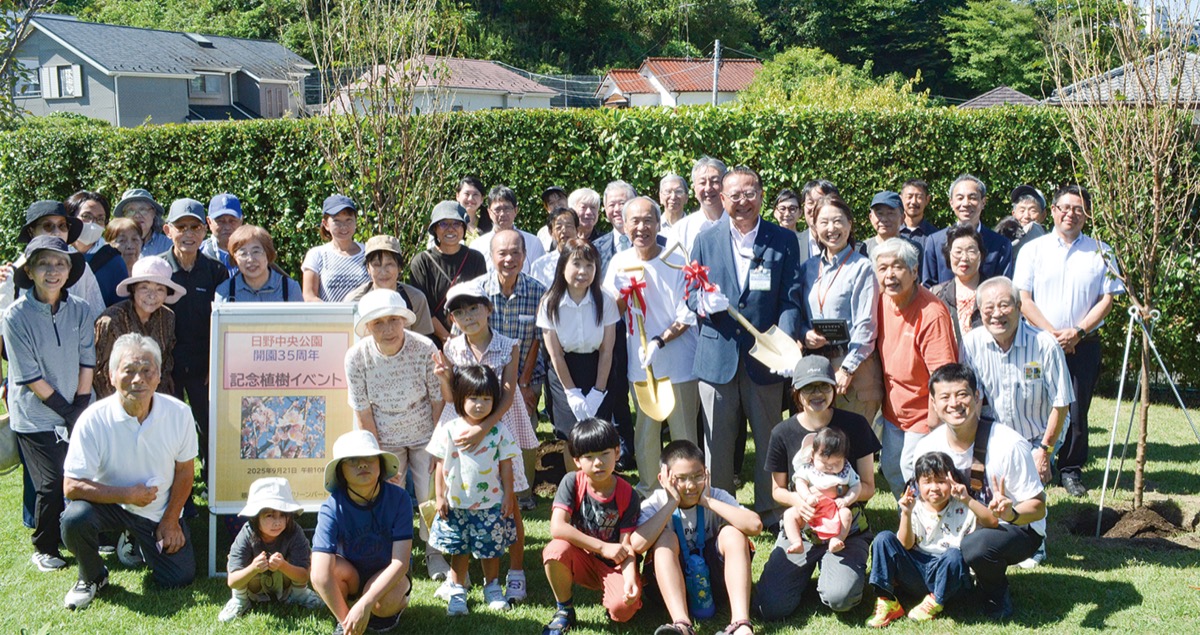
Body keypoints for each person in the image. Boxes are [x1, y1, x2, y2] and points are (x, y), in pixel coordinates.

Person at [686, 165, 804, 521]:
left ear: (762, 196)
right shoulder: (706, 240)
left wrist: (784, 345)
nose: (742, 202)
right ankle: (723, 512)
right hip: (717, 355)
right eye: (734, 195)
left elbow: (790, 299)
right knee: (717, 442)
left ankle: (770, 509)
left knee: (769, 437)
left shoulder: (783, 240)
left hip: (765, 359)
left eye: (750, 193)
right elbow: (692, 291)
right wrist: (704, 303)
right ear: (722, 199)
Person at [60, 333, 197, 610]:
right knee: (75, 519)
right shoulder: (92, 419)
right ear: (111, 376)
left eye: (147, 370)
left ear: (159, 375)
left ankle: (139, 538)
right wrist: (128, 494)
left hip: (156, 510)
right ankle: (92, 576)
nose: (138, 379)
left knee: (179, 577)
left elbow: (185, 472)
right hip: (111, 504)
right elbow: (71, 486)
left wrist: (170, 520)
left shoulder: (179, 413)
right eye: (129, 371)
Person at [913, 364, 1047, 619]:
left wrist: (1011, 512)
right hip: (953, 527)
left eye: (962, 394)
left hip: (1014, 529)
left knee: (976, 545)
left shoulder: (1008, 444)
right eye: (944, 397)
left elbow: (1038, 507)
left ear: (977, 397)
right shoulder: (927, 447)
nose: (954, 403)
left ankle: (995, 592)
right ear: (933, 402)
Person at [1013, 184, 1122, 498]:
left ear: (1086, 214)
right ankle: (1033, 460)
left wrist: (1078, 331)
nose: (1070, 214)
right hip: (1038, 341)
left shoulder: (1102, 250)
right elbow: (1024, 298)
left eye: (1078, 209)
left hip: (1082, 343)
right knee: (1033, 401)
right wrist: (1050, 334)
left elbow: (1107, 299)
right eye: (1064, 207)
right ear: (1054, 212)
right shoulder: (1033, 249)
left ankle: (1070, 469)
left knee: (1076, 407)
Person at [754, 356, 879, 620]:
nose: (817, 393)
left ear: (835, 388)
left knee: (840, 597)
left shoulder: (855, 425)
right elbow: (777, 491)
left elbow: (868, 487)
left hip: (844, 529)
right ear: (796, 393)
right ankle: (808, 565)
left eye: (823, 386)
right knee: (770, 606)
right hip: (804, 526)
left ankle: (833, 570)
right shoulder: (782, 432)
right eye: (809, 387)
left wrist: (839, 500)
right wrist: (800, 502)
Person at [436, 281, 536, 602]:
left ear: (488, 308)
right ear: (453, 319)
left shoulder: (508, 344)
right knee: (464, 499)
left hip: (499, 430)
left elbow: (507, 395)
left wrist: (484, 429)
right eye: (460, 312)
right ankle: (460, 580)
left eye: (474, 308)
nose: (468, 317)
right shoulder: (451, 349)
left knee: (508, 503)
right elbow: (453, 398)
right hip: (463, 435)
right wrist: (442, 378)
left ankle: (516, 571)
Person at [963, 276, 1072, 568]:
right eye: (989, 307)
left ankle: (1036, 541)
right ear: (979, 310)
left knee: (1028, 479)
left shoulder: (1044, 344)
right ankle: (999, 531)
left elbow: (1061, 402)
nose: (996, 313)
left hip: (1038, 433)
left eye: (1004, 305)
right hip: (994, 431)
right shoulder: (971, 343)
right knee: (997, 483)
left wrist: (1045, 450)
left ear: (1019, 307)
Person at [3, 236, 95, 575]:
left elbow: (88, 359)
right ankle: (44, 545)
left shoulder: (82, 309)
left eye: (60, 264)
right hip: (36, 414)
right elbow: (28, 375)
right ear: (30, 270)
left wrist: (80, 407)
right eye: (44, 264)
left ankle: (84, 533)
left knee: (84, 474)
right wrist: (67, 412)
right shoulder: (15, 316)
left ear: (69, 270)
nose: (52, 271)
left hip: (78, 406)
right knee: (50, 481)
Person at [345, 288, 446, 579]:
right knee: (390, 494)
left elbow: (437, 400)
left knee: (429, 490)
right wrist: (377, 458)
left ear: (404, 320)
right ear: (368, 327)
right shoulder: (356, 358)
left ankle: (434, 552)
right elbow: (363, 413)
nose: (388, 329)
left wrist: (438, 448)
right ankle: (396, 555)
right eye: (378, 323)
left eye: (393, 320)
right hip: (384, 435)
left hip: (426, 431)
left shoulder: (425, 347)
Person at [602, 197, 700, 495]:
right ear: (624, 225)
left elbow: (687, 314)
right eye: (635, 221)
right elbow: (611, 312)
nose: (641, 227)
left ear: (658, 223)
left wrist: (660, 340)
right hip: (641, 365)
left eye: (648, 220)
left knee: (683, 430)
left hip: (679, 362)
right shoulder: (620, 262)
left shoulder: (675, 258)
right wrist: (622, 297)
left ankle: (688, 487)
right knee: (647, 431)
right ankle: (648, 490)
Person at [632, 440, 761, 635]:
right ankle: (682, 624)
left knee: (733, 534)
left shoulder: (715, 495)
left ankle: (741, 624)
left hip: (712, 581)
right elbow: (637, 544)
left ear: (706, 474)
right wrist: (671, 503)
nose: (690, 485)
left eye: (697, 476)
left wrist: (707, 501)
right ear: (663, 478)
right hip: (670, 585)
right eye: (681, 478)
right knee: (665, 538)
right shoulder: (656, 502)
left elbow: (755, 525)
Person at [426, 365, 520, 616]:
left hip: (490, 503)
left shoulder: (498, 431)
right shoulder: (449, 429)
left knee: (491, 548)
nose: (480, 405)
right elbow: (440, 465)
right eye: (473, 398)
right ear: (461, 399)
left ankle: (492, 588)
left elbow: (506, 465)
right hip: (457, 503)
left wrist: (508, 494)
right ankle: (457, 592)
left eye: (487, 399)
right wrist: (439, 496)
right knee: (460, 549)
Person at [866, 452, 994, 627]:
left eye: (941, 481)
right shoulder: (915, 506)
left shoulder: (963, 506)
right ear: (917, 484)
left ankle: (935, 600)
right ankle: (887, 600)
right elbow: (906, 544)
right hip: (917, 571)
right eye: (927, 481)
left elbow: (992, 522)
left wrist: (968, 500)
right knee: (883, 539)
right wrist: (906, 513)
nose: (934, 487)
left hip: (950, 575)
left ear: (952, 480)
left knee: (954, 555)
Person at [873, 238, 958, 498]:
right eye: (883, 268)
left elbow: (943, 376)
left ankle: (925, 525)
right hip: (894, 410)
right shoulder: (880, 301)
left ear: (914, 271)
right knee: (890, 468)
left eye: (897, 267)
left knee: (913, 469)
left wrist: (934, 422)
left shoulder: (931, 313)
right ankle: (909, 518)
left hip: (923, 412)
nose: (889, 275)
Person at [542, 418, 643, 635]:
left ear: (617, 452)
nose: (598, 463)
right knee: (554, 549)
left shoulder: (628, 494)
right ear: (577, 460)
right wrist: (602, 547)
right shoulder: (571, 482)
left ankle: (614, 597)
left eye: (605, 454)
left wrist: (629, 581)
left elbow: (627, 546)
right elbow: (557, 527)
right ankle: (564, 610)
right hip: (582, 558)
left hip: (614, 564)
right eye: (589, 457)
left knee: (622, 611)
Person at [311, 430, 413, 634]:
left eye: (369, 458)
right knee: (329, 570)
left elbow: (400, 562)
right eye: (352, 460)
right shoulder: (331, 507)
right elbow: (319, 575)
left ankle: (392, 604)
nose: (363, 464)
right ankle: (347, 619)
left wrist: (365, 604)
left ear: (380, 464)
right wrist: (347, 622)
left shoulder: (400, 498)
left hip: (387, 571)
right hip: (352, 575)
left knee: (383, 607)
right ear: (341, 471)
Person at [799, 195, 882, 423]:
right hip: (816, 365)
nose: (831, 228)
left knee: (851, 446)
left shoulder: (862, 267)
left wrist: (847, 369)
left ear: (849, 224)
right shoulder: (808, 267)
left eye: (838, 221)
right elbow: (799, 312)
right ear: (814, 227)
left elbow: (866, 324)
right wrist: (805, 334)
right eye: (824, 222)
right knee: (821, 444)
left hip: (852, 367)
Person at [160, 198, 229, 471]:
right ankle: (176, 496)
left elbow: (222, 323)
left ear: (204, 230)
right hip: (168, 366)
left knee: (210, 427)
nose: (188, 234)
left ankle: (213, 489)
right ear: (168, 231)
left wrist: (216, 366)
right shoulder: (159, 269)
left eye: (195, 227)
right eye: (181, 227)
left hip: (204, 367)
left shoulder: (216, 271)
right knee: (168, 431)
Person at [480, 230, 547, 488]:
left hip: (526, 375)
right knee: (489, 430)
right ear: (492, 256)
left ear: (525, 255)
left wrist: (524, 382)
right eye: (502, 253)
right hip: (487, 377)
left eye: (515, 252)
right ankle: (490, 487)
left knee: (524, 429)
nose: (509, 259)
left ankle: (524, 490)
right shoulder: (479, 291)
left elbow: (538, 339)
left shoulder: (537, 291)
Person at [538, 238, 619, 438]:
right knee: (570, 433)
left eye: (589, 266)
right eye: (576, 264)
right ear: (563, 266)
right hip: (564, 369)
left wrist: (598, 391)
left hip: (598, 367)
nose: (583, 271)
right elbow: (555, 354)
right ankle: (572, 471)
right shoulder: (549, 303)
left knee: (597, 433)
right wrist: (571, 392)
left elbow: (607, 350)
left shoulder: (606, 300)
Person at [219, 477, 325, 622]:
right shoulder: (246, 534)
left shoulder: (294, 532)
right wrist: (253, 568)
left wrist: (283, 566)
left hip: (286, 584)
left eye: (283, 515)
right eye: (269, 515)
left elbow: (304, 575)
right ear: (255, 517)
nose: (277, 522)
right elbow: (232, 581)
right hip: (254, 586)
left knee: (305, 556)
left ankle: (299, 594)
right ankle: (240, 600)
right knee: (235, 561)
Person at [94, 256, 183, 398]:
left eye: (160, 289)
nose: (152, 295)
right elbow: (100, 372)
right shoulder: (111, 319)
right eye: (144, 287)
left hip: (155, 398)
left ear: (167, 293)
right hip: (117, 400)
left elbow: (165, 364)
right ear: (133, 289)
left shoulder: (168, 317)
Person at [5, 200, 105, 318]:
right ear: (31, 232)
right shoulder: (9, 274)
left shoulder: (81, 267)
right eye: (48, 226)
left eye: (62, 226)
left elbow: (96, 315)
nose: (57, 232)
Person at [407, 201, 488, 346]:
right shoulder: (421, 262)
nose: (450, 229)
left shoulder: (476, 259)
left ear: (463, 228)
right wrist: (447, 337)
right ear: (435, 230)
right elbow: (422, 308)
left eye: (456, 224)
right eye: (443, 224)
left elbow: (481, 301)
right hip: (432, 342)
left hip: (471, 338)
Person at [922, 174, 1013, 288]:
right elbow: (928, 287)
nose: (965, 203)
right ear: (951, 203)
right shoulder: (935, 242)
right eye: (960, 198)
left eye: (973, 198)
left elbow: (1004, 288)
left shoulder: (1001, 244)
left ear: (983, 202)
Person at [781, 426, 861, 555]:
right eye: (824, 463)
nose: (830, 467)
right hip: (810, 511)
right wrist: (807, 496)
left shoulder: (846, 470)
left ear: (844, 458)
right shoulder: (808, 469)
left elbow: (857, 486)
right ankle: (796, 541)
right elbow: (800, 482)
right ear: (812, 455)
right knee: (789, 515)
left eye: (836, 463)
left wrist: (846, 499)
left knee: (846, 514)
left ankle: (837, 539)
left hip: (834, 511)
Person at [345, 235, 435, 337]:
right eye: (376, 265)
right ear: (368, 269)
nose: (383, 272)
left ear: (400, 267)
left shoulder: (416, 299)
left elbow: (423, 343)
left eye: (389, 264)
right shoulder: (354, 301)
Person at [302, 194, 369, 302]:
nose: (343, 226)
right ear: (326, 224)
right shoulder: (316, 254)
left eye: (348, 220)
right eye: (337, 221)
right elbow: (309, 296)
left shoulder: (368, 253)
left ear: (356, 221)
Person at [66, 190, 128, 307]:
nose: (92, 223)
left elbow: (120, 306)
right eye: (86, 216)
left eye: (100, 219)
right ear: (71, 218)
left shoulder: (113, 260)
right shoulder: (56, 254)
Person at [214, 224, 303, 303]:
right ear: (235, 258)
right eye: (243, 253)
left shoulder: (289, 288)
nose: (250, 259)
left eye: (256, 251)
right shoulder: (225, 291)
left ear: (267, 254)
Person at [470, 185, 546, 274]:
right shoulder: (477, 246)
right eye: (497, 209)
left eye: (507, 208)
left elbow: (540, 278)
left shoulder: (533, 243)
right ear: (489, 212)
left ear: (515, 210)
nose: (502, 214)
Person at [930, 224, 986, 344]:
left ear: (980, 255)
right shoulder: (936, 294)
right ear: (949, 255)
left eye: (971, 251)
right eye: (958, 252)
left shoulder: (993, 291)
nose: (964, 258)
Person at [666, 156, 727, 257]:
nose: (708, 188)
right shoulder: (681, 230)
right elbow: (673, 270)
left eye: (715, 181)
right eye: (702, 183)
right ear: (694, 189)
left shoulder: (738, 225)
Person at [860, 190, 924, 271]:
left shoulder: (914, 248)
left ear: (902, 218)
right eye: (879, 213)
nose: (884, 219)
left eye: (890, 213)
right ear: (871, 217)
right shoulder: (863, 249)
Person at [593, 180, 638, 274]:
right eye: (611, 205)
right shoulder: (595, 248)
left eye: (622, 203)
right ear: (605, 209)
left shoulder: (656, 242)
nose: (617, 209)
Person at [111, 188, 173, 256]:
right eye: (131, 211)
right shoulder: (114, 247)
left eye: (143, 209)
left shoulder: (169, 246)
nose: (137, 215)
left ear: (153, 213)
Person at [530, 207, 580, 288]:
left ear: (577, 230)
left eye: (569, 225)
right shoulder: (540, 265)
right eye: (558, 227)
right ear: (551, 232)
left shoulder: (587, 260)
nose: (564, 230)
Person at [201, 193, 244, 276]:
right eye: (220, 221)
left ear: (241, 221)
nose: (227, 227)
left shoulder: (253, 255)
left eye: (232, 221)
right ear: (209, 222)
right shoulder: (198, 254)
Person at [797, 179, 838, 262]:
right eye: (810, 202)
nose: (814, 208)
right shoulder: (792, 243)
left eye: (821, 202)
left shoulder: (854, 248)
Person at [1006, 184, 1047, 260]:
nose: (1026, 216)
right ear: (1013, 214)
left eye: (1033, 210)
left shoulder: (1050, 243)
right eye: (1022, 210)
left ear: (1043, 214)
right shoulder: (1003, 239)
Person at [898, 179, 938, 247]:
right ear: (901, 199)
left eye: (919, 197)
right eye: (909, 197)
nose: (913, 202)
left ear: (927, 200)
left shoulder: (935, 235)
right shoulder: (891, 232)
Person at [455, 175, 492, 241]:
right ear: (457, 196)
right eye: (467, 194)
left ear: (482, 199)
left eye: (475, 194)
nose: (470, 198)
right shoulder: (448, 224)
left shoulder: (489, 227)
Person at [537, 185, 569, 252]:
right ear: (547, 208)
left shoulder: (577, 226)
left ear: (567, 200)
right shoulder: (542, 233)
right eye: (551, 203)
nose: (557, 205)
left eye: (559, 199)